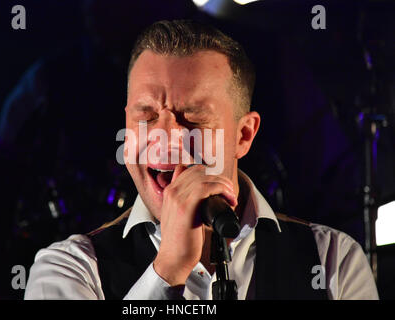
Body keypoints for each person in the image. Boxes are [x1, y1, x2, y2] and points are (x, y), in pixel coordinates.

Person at [24, 20, 379, 300]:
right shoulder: (70, 269)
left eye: (192, 118)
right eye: (145, 115)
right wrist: (166, 272)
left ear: (243, 136)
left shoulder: (332, 260)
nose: (162, 136)